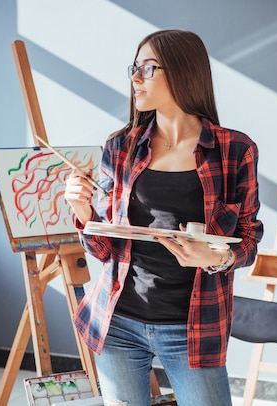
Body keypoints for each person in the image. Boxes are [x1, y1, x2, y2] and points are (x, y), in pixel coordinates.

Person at [64, 29, 263, 406]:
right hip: (118, 319)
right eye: (134, 68)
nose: (135, 78)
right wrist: (83, 212)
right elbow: (105, 250)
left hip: (192, 327)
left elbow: (250, 239)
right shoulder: (120, 147)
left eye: (148, 68)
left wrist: (216, 258)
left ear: (184, 72)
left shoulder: (235, 150)